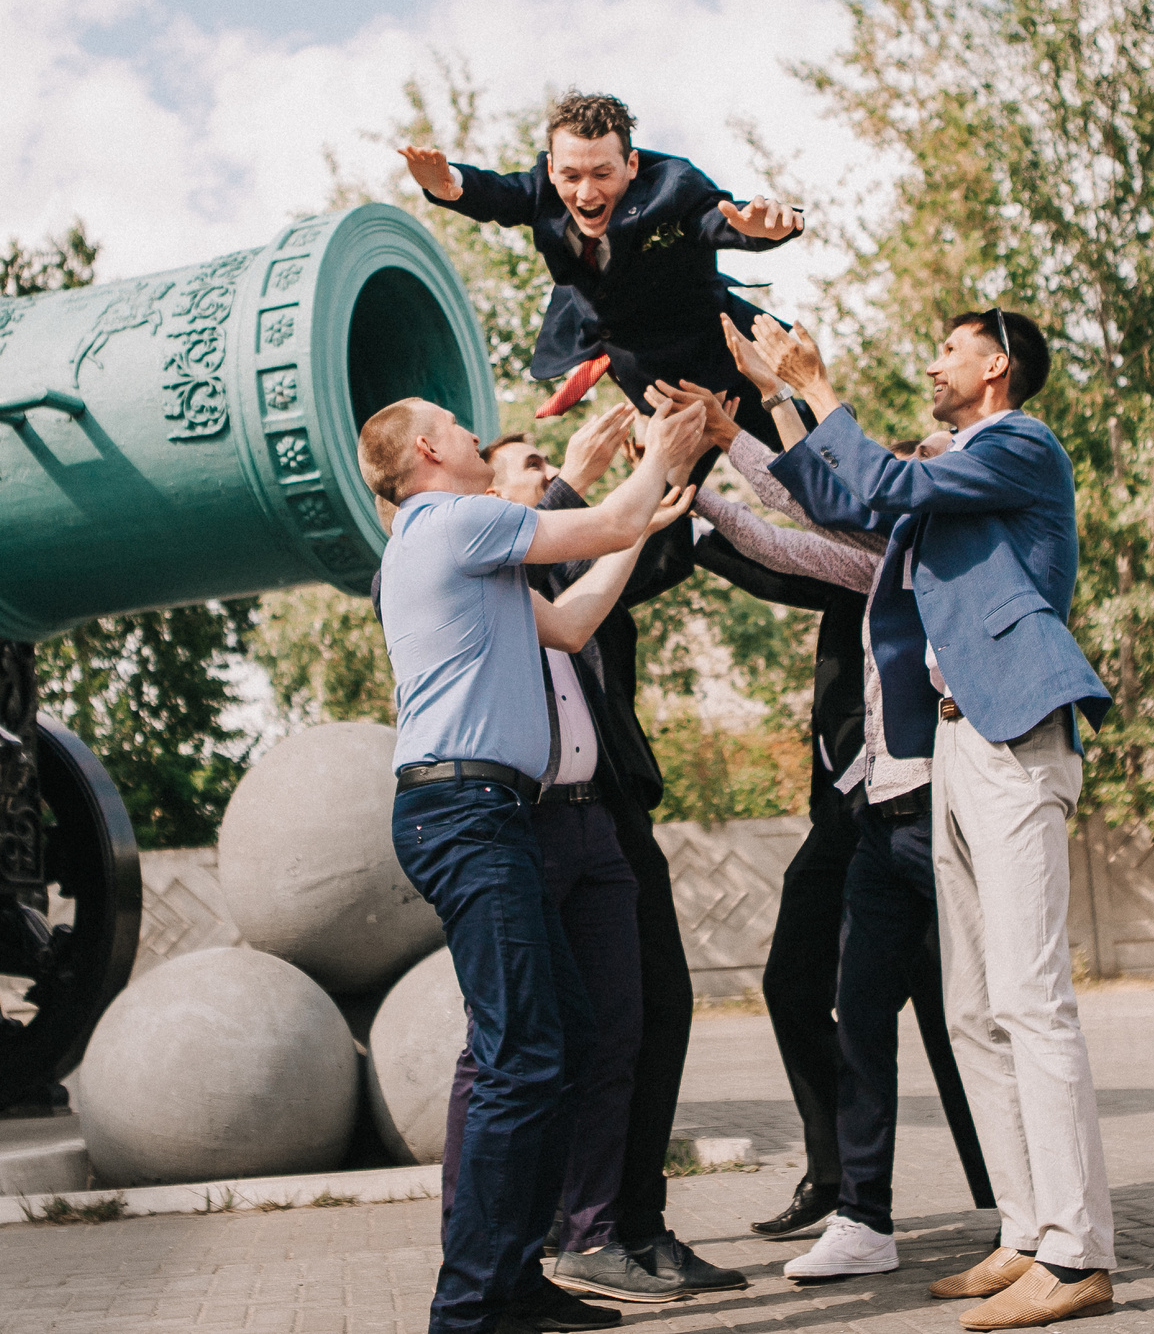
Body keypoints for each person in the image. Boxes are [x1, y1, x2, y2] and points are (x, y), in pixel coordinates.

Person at [753, 310, 1119, 1330]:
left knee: (1032, 998)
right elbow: (836, 494)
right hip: (951, 742)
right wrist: (777, 395)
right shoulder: (948, 475)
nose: (931, 363)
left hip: (1013, 734)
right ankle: (1026, 1233)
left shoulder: (1017, 446)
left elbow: (887, 481)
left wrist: (820, 383)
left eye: (949, 350)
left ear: (995, 367)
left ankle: (1081, 1252)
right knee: (969, 1008)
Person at [363, 392, 708, 1334]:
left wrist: (641, 522)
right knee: (522, 1057)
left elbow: (573, 620)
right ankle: (470, 1307)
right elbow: (600, 516)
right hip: (464, 811)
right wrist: (662, 462)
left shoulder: (462, 548)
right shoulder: (451, 519)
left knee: (556, 1042)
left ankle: (511, 1279)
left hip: (484, 812)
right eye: (461, 426)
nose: (480, 434)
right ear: (429, 450)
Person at [646, 370, 995, 1283]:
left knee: (980, 1012)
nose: (904, 466)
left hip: (945, 808)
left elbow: (819, 497)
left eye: (917, 462)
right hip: (872, 816)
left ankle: (1018, 1198)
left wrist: (765, 416)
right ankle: (861, 1209)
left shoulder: (941, 550)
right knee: (858, 1010)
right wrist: (713, 466)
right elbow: (784, 527)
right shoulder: (871, 556)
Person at [433, 407, 747, 1305]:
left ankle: (607, 1228)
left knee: (625, 1025)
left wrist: (675, 464)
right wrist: (577, 475)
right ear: (491, 495)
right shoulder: (468, 554)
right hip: (514, 822)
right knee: (511, 1048)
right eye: (527, 466)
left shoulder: (550, 566)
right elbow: (567, 545)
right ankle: (503, 1260)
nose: (546, 473)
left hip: (600, 817)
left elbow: (610, 567)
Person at [398, 91, 803, 450]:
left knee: (806, 454)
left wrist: (757, 229)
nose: (586, 194)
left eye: (603, 175)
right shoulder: (544, 190)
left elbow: (713, 219)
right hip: (648, 375)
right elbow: (500, 194)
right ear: (553, 168)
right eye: (571, 176)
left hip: (718, 350)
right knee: (668, 501)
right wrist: (449, 184)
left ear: (631, 164)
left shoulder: (672, 187)